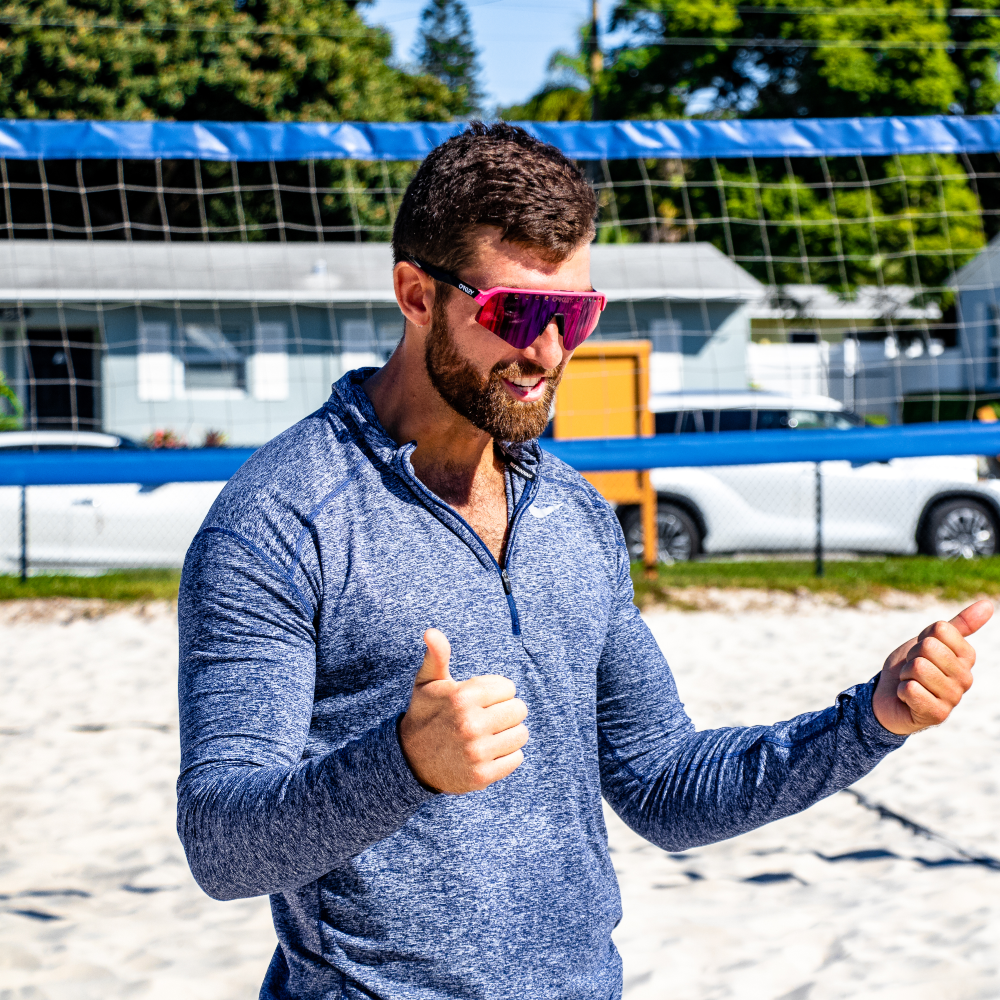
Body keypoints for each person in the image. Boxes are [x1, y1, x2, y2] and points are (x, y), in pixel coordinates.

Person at [177, 123, 992, 1000]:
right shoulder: (279, 519)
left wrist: (870, 719)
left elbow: (666, 785)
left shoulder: (571, 512)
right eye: (517, 313)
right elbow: (221, 846)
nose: (551, 349)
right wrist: (404, 764)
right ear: (416, 294)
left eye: (576, 313)